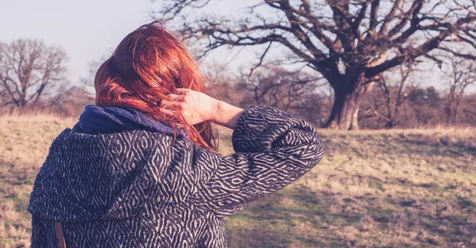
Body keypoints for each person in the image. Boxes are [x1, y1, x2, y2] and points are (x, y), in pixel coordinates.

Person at [27, 21, 325, 247]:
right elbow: (302, 146)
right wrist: (217, 110)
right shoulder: (182, 170)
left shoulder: (62, 158)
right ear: (178, 89)